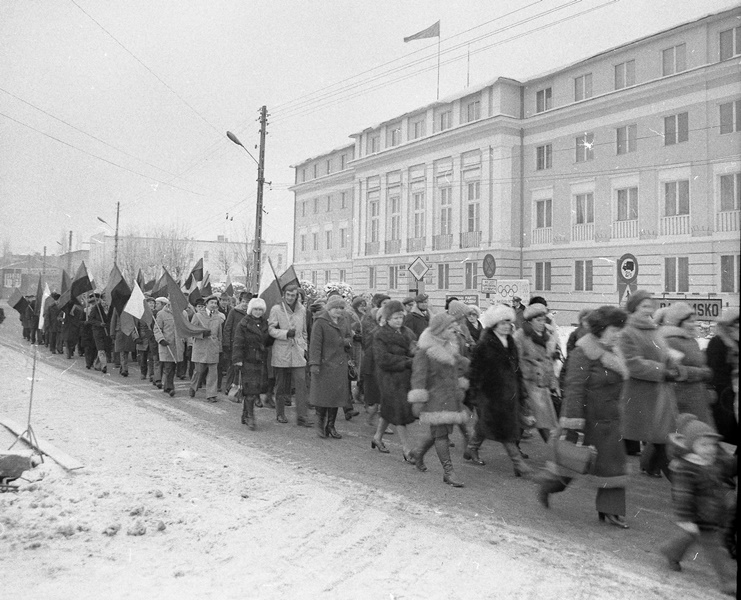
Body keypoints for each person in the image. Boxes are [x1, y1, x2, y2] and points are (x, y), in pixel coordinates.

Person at [538, 306, 631, 528]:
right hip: (586, 419)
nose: (618, 333)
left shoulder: (615, 352)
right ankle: (548, 486)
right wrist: (573, 422)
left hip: (610, 420)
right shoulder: (583, 351)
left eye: (620, 329)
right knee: (572, 463)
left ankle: (610, 511)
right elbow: (574, 388)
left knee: (613, 465)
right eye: (614, 329)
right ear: (601, 328)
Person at [659, 413, 737, 596]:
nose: (709, 449)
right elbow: (683, 495)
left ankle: (671, 551)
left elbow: (730, 467)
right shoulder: (686, 468)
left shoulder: (713, 463)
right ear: (690, 445)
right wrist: (686, 518)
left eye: (712, 445)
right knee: (717, 550)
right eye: (703, 444)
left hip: (712, 514)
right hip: (697, 516)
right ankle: (730, 582)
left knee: (687, 537)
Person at [620, 290, 684, 479]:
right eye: (643, 306)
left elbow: (664, 353)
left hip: (660, 392)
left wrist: (673, 365)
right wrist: (662, 371)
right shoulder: (627, 332)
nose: (648, 309)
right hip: (641, 394)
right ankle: (679, 484)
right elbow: (632, 363)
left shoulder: (653, 329)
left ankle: (652, 467)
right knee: (660, 438)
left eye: (650, 305)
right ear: (633, 308)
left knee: (661, 437)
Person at [466, 304, 533, 477]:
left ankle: (471, 448)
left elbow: (516, 369)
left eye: (509, 323)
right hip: (490, 395)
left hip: (510, 393)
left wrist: (521, 391)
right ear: (494, 325)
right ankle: (518, 464)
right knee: (505, 429)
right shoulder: (484, 345)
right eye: (502, 323)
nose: (506, 326)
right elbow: (475, 372)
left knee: (486, 424)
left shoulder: (510, 342)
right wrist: (475, 396)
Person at [408, 313, 470, 487]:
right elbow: (418, 378)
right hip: (435, 398)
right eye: (450, 328)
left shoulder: (450, 346)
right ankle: (449, 472)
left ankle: (418, 453)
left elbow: (459, 365)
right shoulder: (425, 351)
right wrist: (418, 400)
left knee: (438, 431)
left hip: (450, 396)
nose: (454, 331)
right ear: (440, 330)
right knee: (441, 434)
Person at [371, 300, 417, 458]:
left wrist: (415, 353)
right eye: (395, 317)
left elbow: (413, 351)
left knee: (389, 408)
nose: (399, 320)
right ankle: (407, 450)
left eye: (401, 317)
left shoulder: (408, 333)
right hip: (388, 377)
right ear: (387, 319)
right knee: (399, 411)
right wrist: (406, 361)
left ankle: (377, 437)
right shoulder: (380, 335)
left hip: (405, 377)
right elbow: (382, 359)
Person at [660, 302, 716, 426]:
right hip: (682, 399)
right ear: (677, 321)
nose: (693, 325)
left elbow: (701, 362)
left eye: (694, 321)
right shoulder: (670, 341)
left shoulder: (691, 340)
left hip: (699, 397)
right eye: (689, 321)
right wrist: (701, 373)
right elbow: (674, 370)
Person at [514, 303, 559, 443]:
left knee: (537, 420)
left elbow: (548, 362)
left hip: (542, 384)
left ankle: (515, 449)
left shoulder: (547, 336)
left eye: (543, 320)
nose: (542, 323)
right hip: (529, 384)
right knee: (538, 420)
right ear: (530, 321)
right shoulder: (520, 336)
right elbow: (517, 360)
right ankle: (553, 454)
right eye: (538, 320)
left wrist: (553, 383)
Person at [269, 285, 313, 426]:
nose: (290, 298)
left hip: (298, 352)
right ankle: (280, 413)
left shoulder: (302, 310)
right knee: (281, 385)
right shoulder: (276, 309)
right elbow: (271, 329)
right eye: (288, 294)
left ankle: (302, 416)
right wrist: (285, 333)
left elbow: (304, 331)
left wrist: (304, 346)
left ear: (297, 296)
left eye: (293, 295)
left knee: (301, 383)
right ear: (284, 294)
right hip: (282, 351)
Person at [309, 296, 352, 438]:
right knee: (323, 396)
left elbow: (348, 337)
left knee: (335, 396)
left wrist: (347, 342)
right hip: (324, 364)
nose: (339, 311)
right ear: (329, 308)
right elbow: (315, 345)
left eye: (341, 308)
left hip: (339, 365)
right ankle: (320, 424)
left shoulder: (344, 321)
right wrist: (314, 364)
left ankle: (331, 426)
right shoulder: (320, 322)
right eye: (336, 308)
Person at [232, 298, 270, 430]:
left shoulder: (265, 323)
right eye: (256, 309)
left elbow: (268, 342)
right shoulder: (244, 324)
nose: (258, 312)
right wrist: (237, 359)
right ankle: (250, 417)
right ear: (251, 310)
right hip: (247, 359)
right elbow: (238, 342)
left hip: (260, 360)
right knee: (250, 390)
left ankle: (245, 413)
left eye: (260, 309)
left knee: (255, 390)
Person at [706, 308, 739, 446]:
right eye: (734, 323)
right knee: (726, 427)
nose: (737, 326)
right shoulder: (717, 342)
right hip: (723, 393)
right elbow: (714, 369)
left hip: (733, 390)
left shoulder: (735, 343)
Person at [188, 295, 224, 402]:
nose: (214, 305)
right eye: (211, 303)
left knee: (213, 372)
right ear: (206, 304)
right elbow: (191, 331)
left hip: (213, 347)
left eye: (215, 303)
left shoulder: (218, 317)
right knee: (198, 371)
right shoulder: (198, 316)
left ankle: (211, 394)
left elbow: (219, 334)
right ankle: (193, 387)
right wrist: (202, 334)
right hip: (201, 347)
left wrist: (219, 347)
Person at [222, 291, 251, 398]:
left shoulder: (252, 313)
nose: (245, 304)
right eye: (243, 301)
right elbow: (227, 328)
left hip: (247, 345)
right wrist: (226, 343)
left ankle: (241, 388)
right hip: (234, 344)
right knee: (232, 367)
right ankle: (229, 387)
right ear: (240, 301)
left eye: (247, 302)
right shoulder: (234, 312)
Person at [154, 297, 183, 397]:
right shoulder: (161, 314)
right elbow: (157, 329)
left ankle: (167, 386)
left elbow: (185, 328)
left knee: (173, 366)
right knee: (168, 366)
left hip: (178, 344)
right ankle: (170, 387)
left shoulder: (182, 313)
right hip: (167, 344)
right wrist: (161, 339)